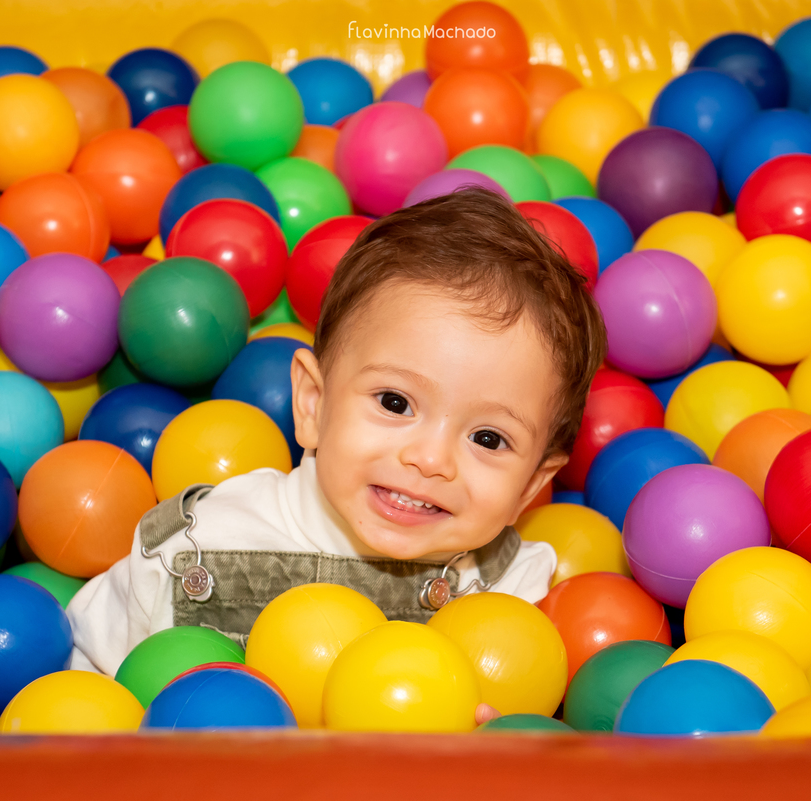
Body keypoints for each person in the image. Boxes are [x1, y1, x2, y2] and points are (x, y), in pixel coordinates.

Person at [67, 186, 608, 693]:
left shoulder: (512, 591)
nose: (430, 459)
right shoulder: (193, 545)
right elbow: (84, 678)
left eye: (488, 438)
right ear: (313, 404)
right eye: (395, 403)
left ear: (531, 484)